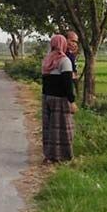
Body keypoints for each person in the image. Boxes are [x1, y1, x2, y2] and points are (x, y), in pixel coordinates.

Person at [41, 34, 77, 164]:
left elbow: (45, 83)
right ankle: (63, 156)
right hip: (60, 100)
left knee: (49, 128)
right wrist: (71, 101)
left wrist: (45, 98)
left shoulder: (46, 60)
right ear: (63, 44)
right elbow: (67, 84)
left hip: (47, 98)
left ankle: (49, 155)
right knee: (63, 128)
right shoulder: (64, 61)